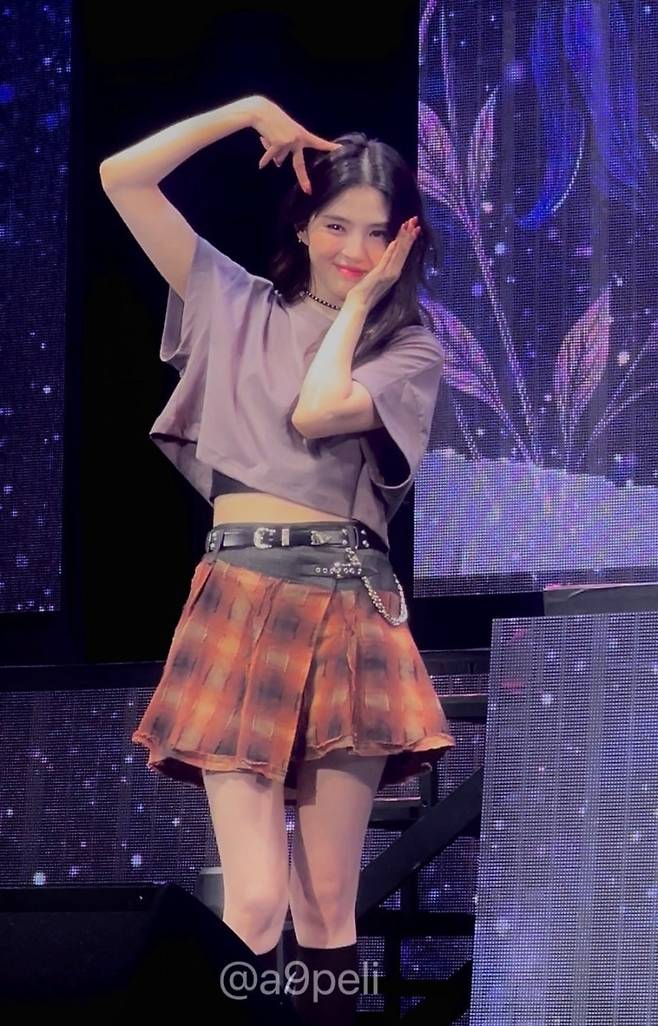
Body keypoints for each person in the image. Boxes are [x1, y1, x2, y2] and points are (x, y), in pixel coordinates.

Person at [100, 93, 456, 1025]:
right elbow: (121, 177)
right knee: (253, 901)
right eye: (335, 225)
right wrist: (249, 110)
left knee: (326, 900)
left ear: (403, 241)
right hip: (242, 596)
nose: (353, 249)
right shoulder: (232, 303)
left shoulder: (409, 349)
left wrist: (363, 305)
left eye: (376, 233)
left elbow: (317, 409)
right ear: (301, 224)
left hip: (347, 604)